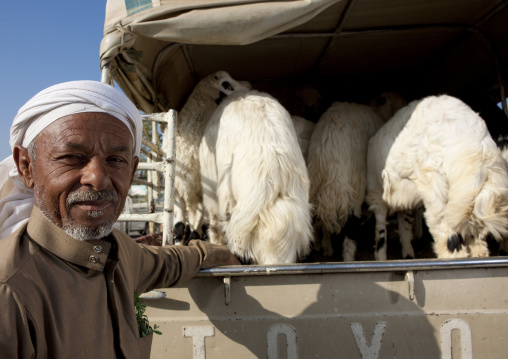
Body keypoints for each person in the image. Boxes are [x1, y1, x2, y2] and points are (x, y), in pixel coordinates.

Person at [0, 81, 240, 358]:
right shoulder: (10, 293)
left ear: (133, 169)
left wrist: (220, 253)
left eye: (115, 160)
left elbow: (169, 262)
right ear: (26, 167)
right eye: (72, 157)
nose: (98, 178)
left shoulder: (119, 252)